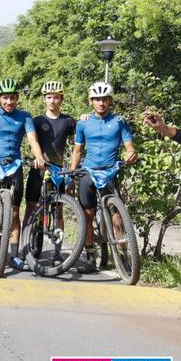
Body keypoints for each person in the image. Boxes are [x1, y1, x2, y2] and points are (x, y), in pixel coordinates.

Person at [0, 78, 45, 270]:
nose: (9, 102)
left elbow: (32, 139)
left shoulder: (25, 116)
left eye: (12, 98)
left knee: (13, 212)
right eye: (5, 98)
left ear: (17, 98)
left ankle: (14, 255)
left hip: (14, 165)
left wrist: (38, 157)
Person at [70, 82, 137, 273]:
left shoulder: (119, 121)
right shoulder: (83, 122)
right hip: (88, 172)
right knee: (88, 215)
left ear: (110, 101)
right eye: (97, 99)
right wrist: (72, 175)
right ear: (91, 101)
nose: (101, 103)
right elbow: (77, 150)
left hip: (110, 171)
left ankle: (123, 257)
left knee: (117, 217)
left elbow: (129, 147)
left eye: (104, 99)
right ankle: (90, 257)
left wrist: (130, 155)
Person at [21, 81, 76, 264]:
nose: (53, 101)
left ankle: (57, 252)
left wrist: (84, 118)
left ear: (62, 99)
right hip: (38, 169)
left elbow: (78, 143)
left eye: (56, 97)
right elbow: (32, 141)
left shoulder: (68, 121)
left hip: (58, 171)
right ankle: (26, 245)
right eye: (49, 97)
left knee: (58, 210)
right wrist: (37, 158)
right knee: (31, 206)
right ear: (44, 99)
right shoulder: (37, 121)